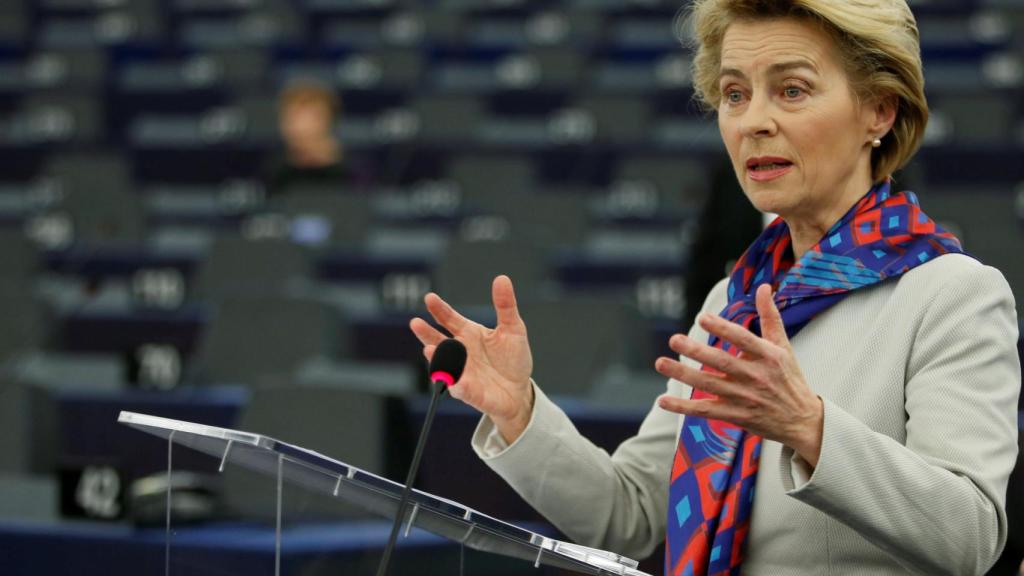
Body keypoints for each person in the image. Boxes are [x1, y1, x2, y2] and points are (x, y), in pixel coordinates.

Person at [409, 0, 1021, 574]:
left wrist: (809, 427)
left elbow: (970, 536)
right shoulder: (731, 299)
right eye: (735, 93)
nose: (754, 121)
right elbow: (630, 517)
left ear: (879, 111)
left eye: (792, 89)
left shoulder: (952, 294)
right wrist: (519, 413)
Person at [264, 82, 351, 198]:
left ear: (329, 121)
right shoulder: (274, 173)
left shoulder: (354, 173)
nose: (298, 128)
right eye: (291, 119)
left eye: (309, 119)